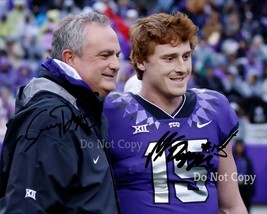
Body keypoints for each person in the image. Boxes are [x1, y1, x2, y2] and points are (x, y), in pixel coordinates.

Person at [104, 12, 247, 213]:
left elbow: (231, 206)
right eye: (169, 58)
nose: (181, 68)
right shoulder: (112, 112)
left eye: (186, 56)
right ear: (141, 61)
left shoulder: (215, 108)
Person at [0, 12, 121, 213]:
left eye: (117, 56)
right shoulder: (51, 118)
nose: (116, 65)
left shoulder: (81, 108)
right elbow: (25, 207)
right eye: (105, 55)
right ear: (70, 58)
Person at [233, 139, 255, 213]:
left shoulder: (247, 160)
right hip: (235, 187)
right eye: (238, 146)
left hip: (245, 186)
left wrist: (251, 187)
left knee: (246, 206)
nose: (239, 148)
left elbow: (251, 174)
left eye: (241, 146)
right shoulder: (232, 159)